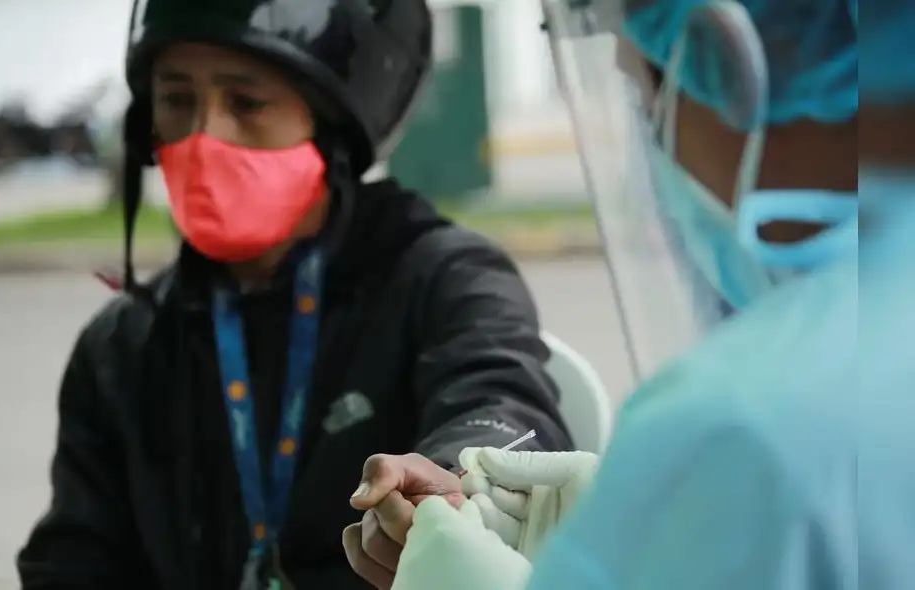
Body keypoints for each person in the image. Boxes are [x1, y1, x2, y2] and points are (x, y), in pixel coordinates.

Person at [347, 0, 915, 588]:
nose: (658, 153)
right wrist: (616, 519)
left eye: (649, 108)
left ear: (729, 62)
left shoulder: (748, 428)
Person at [16, 1, 575, 589]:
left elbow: (508, 408)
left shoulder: (444, 277)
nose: (204, 137)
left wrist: (455, 475)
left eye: (247, 102)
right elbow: (74, 560)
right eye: (178, 101)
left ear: (329, 123)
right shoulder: (121, 348)